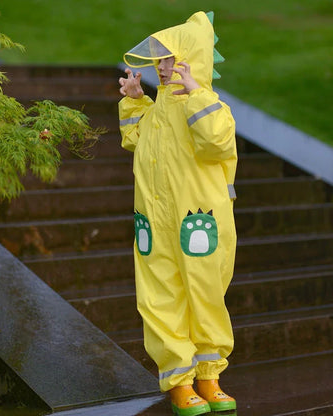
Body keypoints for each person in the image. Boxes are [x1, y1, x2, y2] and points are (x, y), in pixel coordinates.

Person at [118, 11, 237, 416]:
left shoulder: (210, 107)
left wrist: (196, 96)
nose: (163, 68)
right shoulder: (157, 110)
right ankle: (179, 381)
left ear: (193, 59)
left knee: (205, 292)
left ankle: (210, 375)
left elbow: (217, 143)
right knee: (160, 297)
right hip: (155, 222)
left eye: (171, 60)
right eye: (160, 62)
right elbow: (136, 142)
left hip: (198, 220)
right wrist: (135, 102)